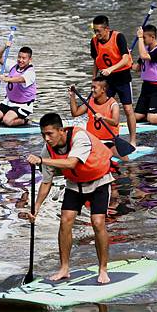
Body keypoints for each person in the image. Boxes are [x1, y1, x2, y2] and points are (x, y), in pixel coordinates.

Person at [27, 113, 113, 283]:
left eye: (50, 134)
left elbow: (71, 163)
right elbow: (46, 182)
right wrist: (35, 208)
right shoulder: (47, 150)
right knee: (65, 221)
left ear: (61, 130)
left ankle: (103, 269)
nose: (47, 138)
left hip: (99, 182)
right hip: (74, 184)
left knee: (97, 222)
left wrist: (42, 160)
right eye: (43, 134)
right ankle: (64, 268)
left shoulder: (79, 136)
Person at [91, 15, 137, 146]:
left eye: (99, 31)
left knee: (128, 109)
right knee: (104, 109)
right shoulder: (94, 42)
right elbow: (95, 61)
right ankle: (106, 139)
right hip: (106, 79)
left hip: (122, 77)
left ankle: (133, 141)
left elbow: (125, 59)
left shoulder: (118, 37)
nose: (97, 34)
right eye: (95, 31)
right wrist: (94, 79)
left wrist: (111, 69)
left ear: (107, 29)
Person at [68, 77, 127, 160]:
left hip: (109, 141)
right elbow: (75, 113)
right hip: (93, 141)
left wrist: (103, 118)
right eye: (91, 87)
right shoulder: (90, 102)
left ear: (103, 89)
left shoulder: (113, 104)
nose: (92, 90)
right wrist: (72, 96)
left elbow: (115, 122)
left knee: (126, 160)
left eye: (94, 87)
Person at [0, 42, 37, 126]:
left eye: (24, 58)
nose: (21, 60)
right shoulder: (13, 65)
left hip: (23, 105)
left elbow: (21, 79)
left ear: (30, 60)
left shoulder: (31, 73)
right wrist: (5, 47)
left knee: (7, 121)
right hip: (8, 102)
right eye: (19, 57)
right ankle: (3, 118)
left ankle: (25, 121)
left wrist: (6, 79)